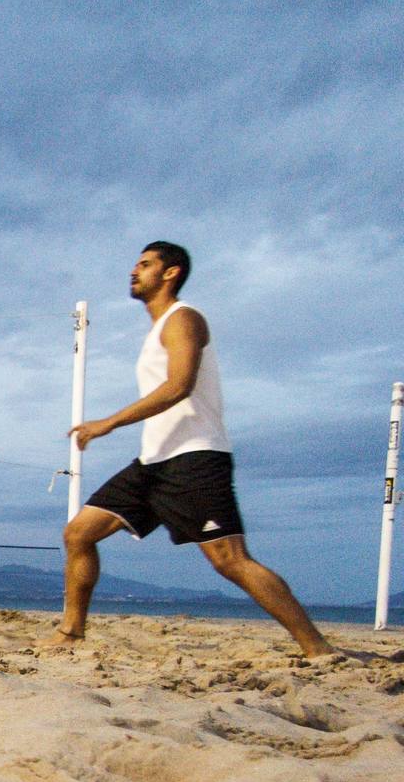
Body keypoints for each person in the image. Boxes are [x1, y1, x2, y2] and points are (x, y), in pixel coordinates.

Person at [43, 241, 335, 657]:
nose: (134, 271)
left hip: (195, 458)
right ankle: (72, 633)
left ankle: (316, 647)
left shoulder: (185, 319)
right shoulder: (155, 330)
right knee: (79, 534)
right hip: (153, 463)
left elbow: (180, 386)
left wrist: (109, 422)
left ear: (170, 273)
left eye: (145, 265)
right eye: (135, 264)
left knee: (229, 560)